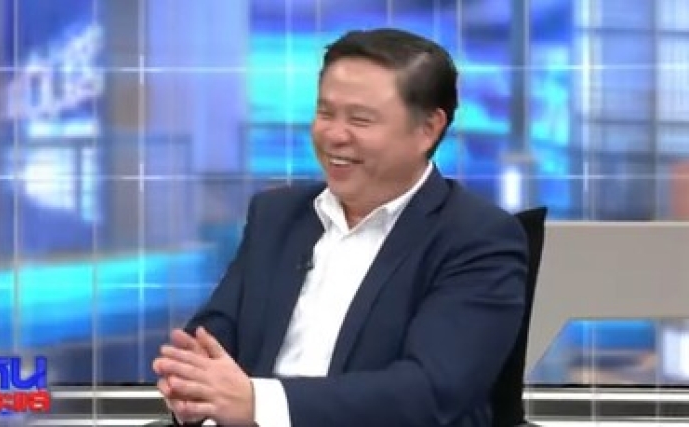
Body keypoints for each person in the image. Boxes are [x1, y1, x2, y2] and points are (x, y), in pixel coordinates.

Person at [152, 28, 529, 427]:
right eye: (325, 113)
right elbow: (214, 333)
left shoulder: (477, 237)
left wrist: (259, 405)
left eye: (360, 119)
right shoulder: (276, 215)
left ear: (428, 129)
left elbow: (430, 392)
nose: (333, 135)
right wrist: (192, 385)